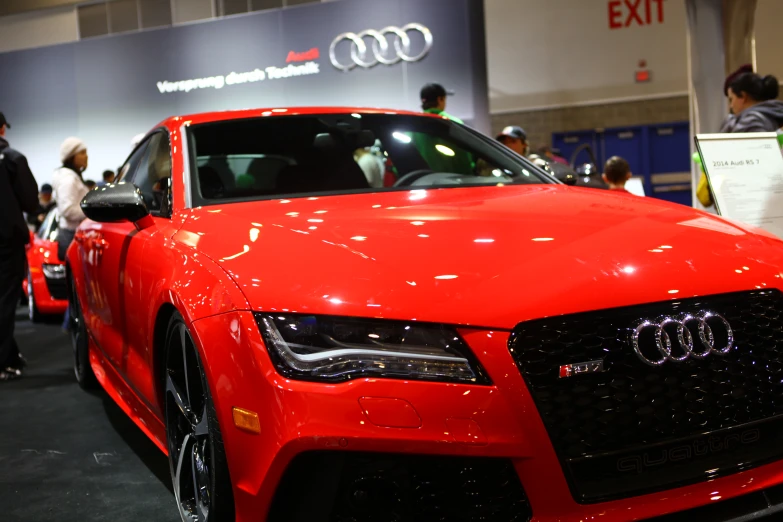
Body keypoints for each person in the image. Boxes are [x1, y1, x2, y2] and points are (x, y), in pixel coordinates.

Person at [0, 112, 38, 380]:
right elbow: (30, 202)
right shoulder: (12, 159)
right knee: (5, 300)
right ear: (2, 129)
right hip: (5, 242)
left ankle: (9, 354)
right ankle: (3, 362)